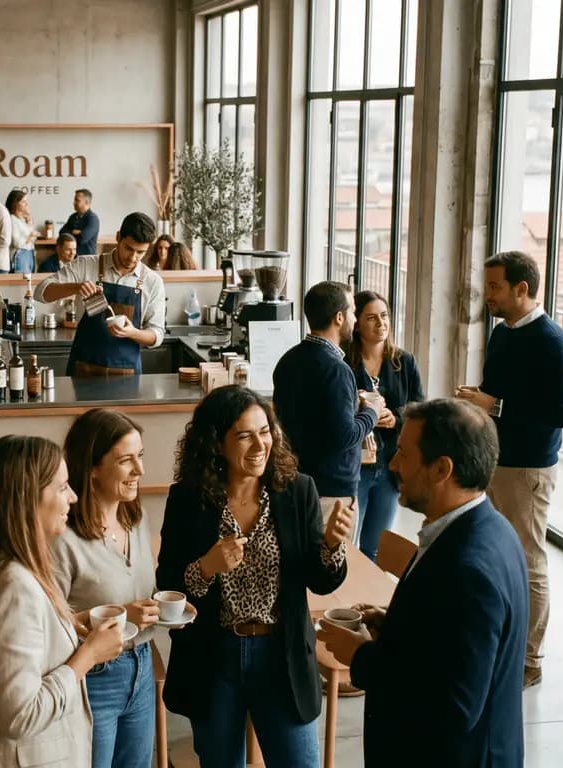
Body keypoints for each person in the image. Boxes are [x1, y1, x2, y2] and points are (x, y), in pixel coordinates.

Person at [316, 399, 529, 767]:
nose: (393, 465)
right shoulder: (487, 529)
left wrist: (361, 656)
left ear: (441, 469)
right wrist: (396, 624)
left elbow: (454, 705)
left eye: (402, 453)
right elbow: (448, 643)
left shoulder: (470, 570)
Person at [156, 386, 354, 767]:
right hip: (214, 658)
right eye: (244, 435)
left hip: (281, 656)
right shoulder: (187, 498)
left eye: (265, 431)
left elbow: (320, 580)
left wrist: (330, 544)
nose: (259, 444)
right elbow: (167, 584)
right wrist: (207, 566)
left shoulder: (297, 490)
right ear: (216, 443)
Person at [0, 435, 124, 767]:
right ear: (27, 498)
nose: (74, 497)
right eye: (62, 487)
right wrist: (88, 656)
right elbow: (20, 715)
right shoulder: (14, 585)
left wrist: (66, 623)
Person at [456, 250, 563, 689]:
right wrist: (478, 399)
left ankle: (529, 659)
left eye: (494, 287)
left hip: (527, 468)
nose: (486, 295)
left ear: (521, 289)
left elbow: (560, 413)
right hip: (495, 459)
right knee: (493, 553)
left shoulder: (552, 342)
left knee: (528, 560)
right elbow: (495, 391)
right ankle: (498, 640)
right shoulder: (503, 332)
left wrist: (495, 405)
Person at [51, 409, 159, 768]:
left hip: (141, 667)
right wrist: (118, 615)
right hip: (94, 677)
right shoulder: (64, 539)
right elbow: (49, 620)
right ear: (92, 467)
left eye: (140, 457)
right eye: (126, 460)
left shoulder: (135, 519)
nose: (140, 471)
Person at [273, 281, 382, 548]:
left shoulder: (288, 361)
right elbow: (344, 436)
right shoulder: (337, 369)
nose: (355, 320)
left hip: (294, 483)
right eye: (354, 312)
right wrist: (372, 412)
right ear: (339, 317)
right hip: (332, 494)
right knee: (331, 573)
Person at [34, 212, 167, 377]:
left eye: (140, 252)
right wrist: (76, 287)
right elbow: (40, 292)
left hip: (127, 374)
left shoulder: (152, 281)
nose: (133, 258)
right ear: (118, 237)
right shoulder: (86, 265)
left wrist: (133, 333)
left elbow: (157, 334)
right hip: (83, 369)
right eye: (129, 248)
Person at [345, 290, 424, 560]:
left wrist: (396, 418)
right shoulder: (345, 364)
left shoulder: (404, 361)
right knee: (347, 544)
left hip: (391, 465)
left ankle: (369, 600)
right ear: (356, 324)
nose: (381, 323)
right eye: (371, 318)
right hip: (355, 465)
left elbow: (419, 406)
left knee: (375, 546)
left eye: (384, 316)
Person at [60, 189, 100, 255]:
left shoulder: (92, 218)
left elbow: (82, 239)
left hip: (87, 259)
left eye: (77, 200)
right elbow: (61, 233)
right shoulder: (73, 217)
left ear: (86, 202)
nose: (74, 203)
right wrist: (74, 232)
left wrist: (70, 233)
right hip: (73, 258)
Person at [6, 189, 38, 275]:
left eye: (26, 201)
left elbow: (33, 240)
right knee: (21, 284)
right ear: (15, 203)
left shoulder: (24, 220)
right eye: (23, 201)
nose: (26, 204)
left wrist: (30, 223)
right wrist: (30, 236)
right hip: (20, 255)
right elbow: (16, 243)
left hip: (30, 254)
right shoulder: (12, 219)